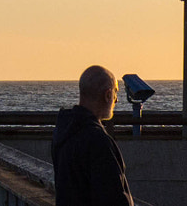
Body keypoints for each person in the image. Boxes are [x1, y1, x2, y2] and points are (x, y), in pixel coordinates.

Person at [51, 66, 133, 206]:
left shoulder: (64, 131)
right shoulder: (98, 141)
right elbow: (113, 197)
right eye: (115, 93)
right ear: (108, 95)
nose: (116, 100)